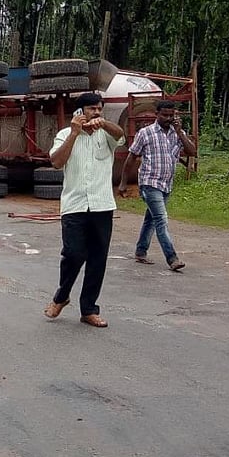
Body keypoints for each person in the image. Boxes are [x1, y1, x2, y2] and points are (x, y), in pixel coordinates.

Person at [44, 92, 125, 328]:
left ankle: (89, 309)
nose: (96, 113)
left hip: (102, 205)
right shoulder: (64, 135)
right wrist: (74, 133)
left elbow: (120, 135)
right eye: (91, 109)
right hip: (74, 205)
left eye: (99, 108)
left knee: (98, 259)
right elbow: (56, 162)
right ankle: (61, 296)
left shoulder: (106, 135)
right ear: (79, 112)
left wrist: (105, 124)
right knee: (73, 254)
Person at [118, 100, 197, 272]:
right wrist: (123, 182)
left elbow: (192, 151)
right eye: (165, 115)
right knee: (161, 219)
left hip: (166, 184)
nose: (168, 118)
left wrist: (180, 132)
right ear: (157, 114)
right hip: (149, 182)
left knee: (151, 219)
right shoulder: (145, 133)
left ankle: (140, 251)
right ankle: (172, 258)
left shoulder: (177, 133)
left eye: (171, 115)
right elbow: (131, 157)